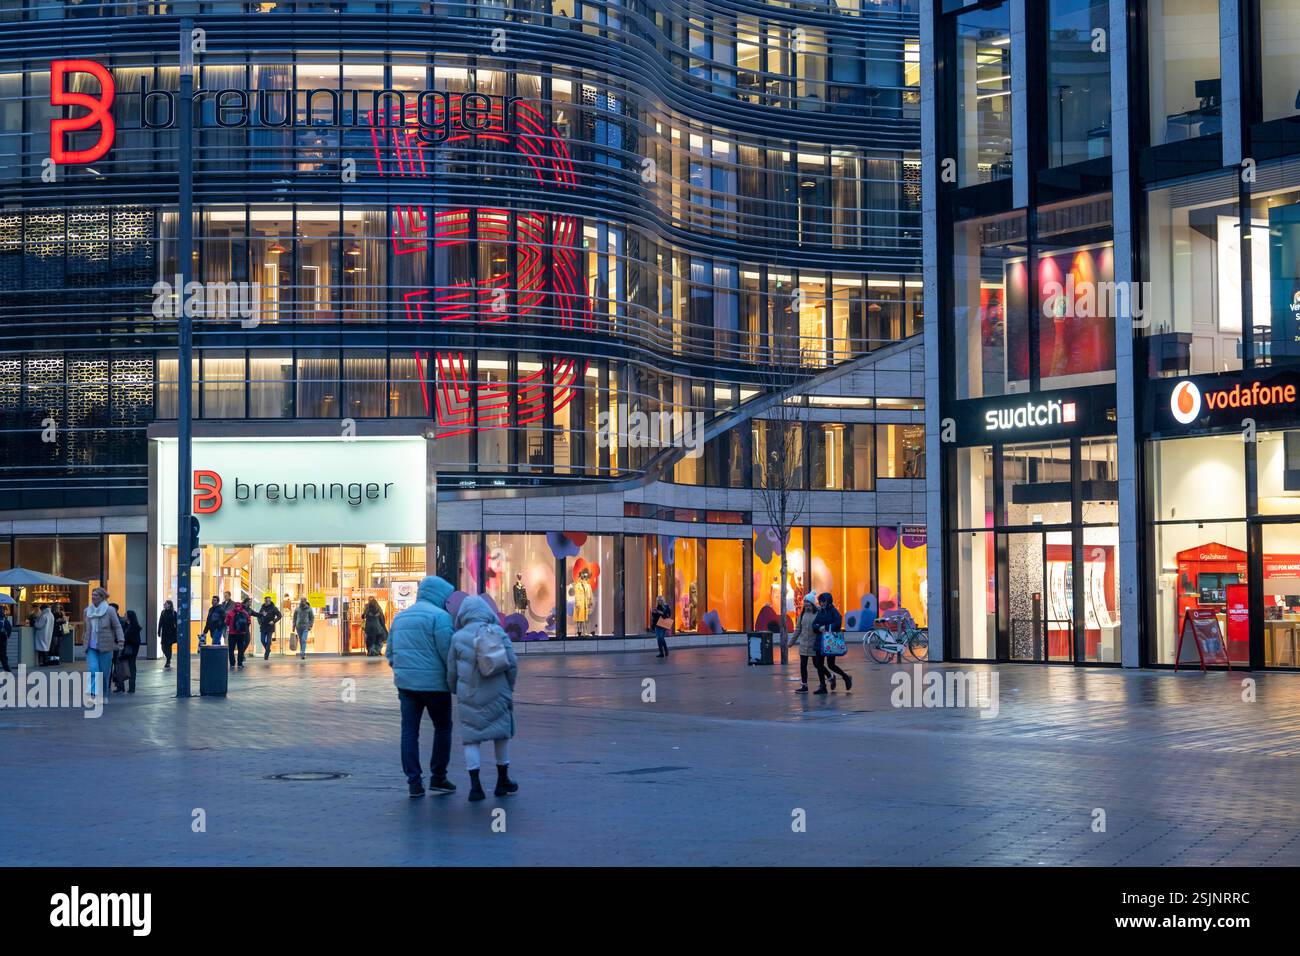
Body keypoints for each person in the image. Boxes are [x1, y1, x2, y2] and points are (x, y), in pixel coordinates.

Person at [386, 576, 457, 798]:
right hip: (436, 686)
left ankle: (414, 782)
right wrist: (454, 681)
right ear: (438, 595)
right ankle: (438, 776)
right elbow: (449, 653)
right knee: (443, 728)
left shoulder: (400, 618)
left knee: (409, 731)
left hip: (406, 686)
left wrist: (402, 670)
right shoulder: (441, 618)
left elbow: (390, 652)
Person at [447, 595, 519, 802]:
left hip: (469, 693)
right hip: (499, 691)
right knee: (501, 734)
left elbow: (451, 670)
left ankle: (475, 787)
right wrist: (509, 687)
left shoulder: (458, 638)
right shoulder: (497, 632)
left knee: (472, 739)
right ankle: (502, 780)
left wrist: (455, 690)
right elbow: (512, 663)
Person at [83, 587, 123, 702]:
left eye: (96, 595)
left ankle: (104, 694)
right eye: (92, 594)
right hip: (91, 646)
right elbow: (86, 629)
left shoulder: (109, 610)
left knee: (104, 673)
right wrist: (84, 640)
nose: (93, 597)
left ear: (102, 597)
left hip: (105, 646)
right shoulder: (87, 611)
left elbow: (117, 626)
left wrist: (120, 640)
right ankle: (94, 694)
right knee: (93, 670)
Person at [814, 592, 852, 692]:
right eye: (820, 601)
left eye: (824, 601)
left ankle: (846, 677)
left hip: (830, 642)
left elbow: (838, 623)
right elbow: (814, 624)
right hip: (820, 642)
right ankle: (822, 686)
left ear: (828, 601)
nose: (822, 603)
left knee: (831, 664)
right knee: (818, 664)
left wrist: (826, 628)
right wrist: (817, 628)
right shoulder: (820, 611)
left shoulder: (833, 611)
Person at [794, 594, 827, 694]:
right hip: (804, 644)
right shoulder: (802, 614)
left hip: (814, 644)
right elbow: (798, 629)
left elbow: (823, 624)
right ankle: (804, 685)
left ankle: (829, 676)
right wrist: (791, 642)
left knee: (817, 664)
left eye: (808, 604)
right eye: (805, 604)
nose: (807, 606)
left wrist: (822, 628)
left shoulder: (819, 613)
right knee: (803, 664)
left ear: (812, 604)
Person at [116, 610, 143, 694]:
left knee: (131, 667)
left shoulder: (135, 628)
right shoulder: (124, 625)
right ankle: (120, 686)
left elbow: (136, 641)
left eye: (125, 615)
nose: (124, 616)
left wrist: (125, 639)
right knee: (120, 667)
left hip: (131, 650)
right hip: (124, 649)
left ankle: (131, 687)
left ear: (129, 617)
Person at [226, 597, 253, 670]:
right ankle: (240, 663)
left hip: (232, 634)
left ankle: (232, 663)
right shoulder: (245, 613)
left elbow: (227, 623)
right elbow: (249, 621)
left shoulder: (230, 613)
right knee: (240, 649)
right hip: (241, 634)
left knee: (231, 649)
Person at [158, 600, 178, 669]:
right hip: (164, 632)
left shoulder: (174, 613)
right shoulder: (163, 612)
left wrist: (177, 632)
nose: (164, 605)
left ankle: (168, 661)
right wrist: (159, 631)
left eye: (165, 604)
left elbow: (177, 623)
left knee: (168, 647)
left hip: (171, 632)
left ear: (169, 605)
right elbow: (160, 622)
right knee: (163, 647)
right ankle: (168, 657)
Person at [0, 605, 12, 673]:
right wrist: (7, 636)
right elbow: (9, 628)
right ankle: (7, 670)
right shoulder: (5, 620)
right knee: (3, 655)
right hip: (3, 639)